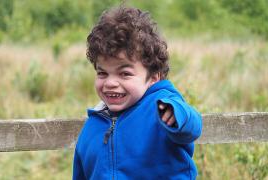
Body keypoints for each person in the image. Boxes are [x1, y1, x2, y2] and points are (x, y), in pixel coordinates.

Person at [72, 5, 202, 180]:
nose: (110, 83)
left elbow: (192, 127)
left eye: (125, 74)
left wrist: (176, 114)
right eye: (102, 73)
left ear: (154, 77)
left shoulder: (162, 106)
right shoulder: (93, 126)